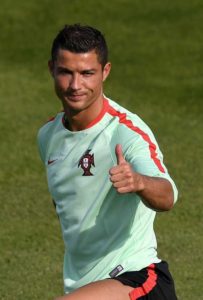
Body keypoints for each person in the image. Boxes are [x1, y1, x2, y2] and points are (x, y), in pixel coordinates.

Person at [37, 24, 178, 300]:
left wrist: (139, 182)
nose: (76, 85)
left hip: (138, 280)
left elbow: (168, 195)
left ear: (105, 72)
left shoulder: (125, 132)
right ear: (52, 68)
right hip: (85, 287)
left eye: (87, 73)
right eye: (66, 72)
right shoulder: (48, 136)